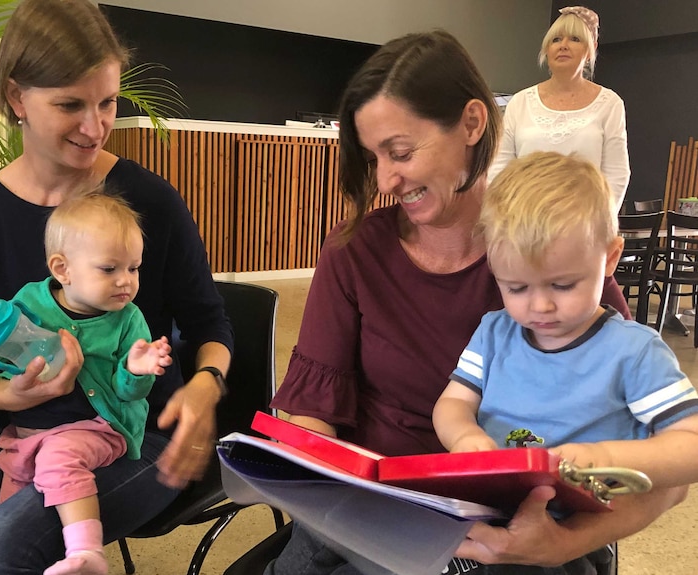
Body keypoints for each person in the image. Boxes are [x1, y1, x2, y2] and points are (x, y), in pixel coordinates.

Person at [265, 30, 684, 575]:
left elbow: (667, 476)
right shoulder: (356, 252)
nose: (386, 180)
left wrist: (562, 543)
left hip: (522, 528)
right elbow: (314, 418)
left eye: (401, 152)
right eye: (373, 159)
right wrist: (304, 468)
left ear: (471, 123)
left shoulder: (556, 256)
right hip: (378, 512)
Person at [0, 1, 233, 574]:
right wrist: (8, 396)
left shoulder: (149, 200)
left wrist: (205, 387)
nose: (95, 126)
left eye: (107, 102)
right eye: (70, 105)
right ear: (15, 99)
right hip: (25, 432)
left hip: (136, 436)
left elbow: (210, 323)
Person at [433, 151, 698, 496]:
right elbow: (453, 403)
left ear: (610, 258)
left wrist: (603, 456)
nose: (541, 305)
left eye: (563, 285)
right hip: (490, 508)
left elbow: (690, 444)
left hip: (579, 528)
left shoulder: (634, 351)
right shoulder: (494, 333)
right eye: (516, 288)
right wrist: (464, 435)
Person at [0, 191, 173, 575]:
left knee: (59, 459)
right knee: (9, 508)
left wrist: (136, 371)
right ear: (62, 269)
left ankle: (88, 555)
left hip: (99, 427)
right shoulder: (29, 302)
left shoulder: (128, 320)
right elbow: (5, 359)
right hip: (28, 430)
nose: (126, 281)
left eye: (134, 268)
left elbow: (128, 394)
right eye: (109, 269)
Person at [488, 6, 630, 212]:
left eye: (574, 38)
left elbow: (617, 175)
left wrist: (600, 225)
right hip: (523, 224)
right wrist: (504, 220)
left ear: (591, 49)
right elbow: (498, 170)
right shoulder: (520, 102)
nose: (563, 45)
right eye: (556, 39)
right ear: (546, 49)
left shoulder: (610, 104)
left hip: (583, 227)